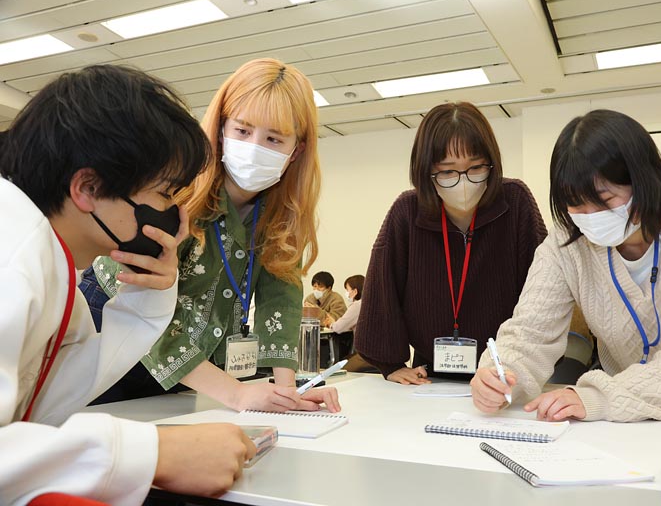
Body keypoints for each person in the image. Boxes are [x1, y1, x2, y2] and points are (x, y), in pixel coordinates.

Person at [0, 65, 257, 505]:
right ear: (89, 187)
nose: (175, 215)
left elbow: (59, 392)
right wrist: (152, 454)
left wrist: (146, 295)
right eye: (164, 194)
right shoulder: (13, 257)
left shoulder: (53, 262)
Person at [471, 109, 661, 422]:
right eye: (574, 203)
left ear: (643, 182)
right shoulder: (567, 242)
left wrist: (599, 396)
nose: (588, 215)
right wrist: (499, 375)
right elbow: (530, 331)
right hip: (635, 403)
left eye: (604, 198)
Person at [82, 58, 339, 413]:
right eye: (243, 131)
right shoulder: (174, 192)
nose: (255, 146)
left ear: (296, 150)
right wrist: (236, 394)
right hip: (110, 336)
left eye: (274, 139)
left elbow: (280, 296)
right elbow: (132, 303)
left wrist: (287, 391)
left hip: (185, 365)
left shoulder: (282, 214)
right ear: (220, 128)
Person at [355, 102, 548, 384]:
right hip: (429, 373)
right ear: (425, 171)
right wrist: (390, 364)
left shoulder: (515, 201)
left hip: (505, 369)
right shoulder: (407, 211)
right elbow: (383, 289)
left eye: (476, 168)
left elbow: (541, 293)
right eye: (447, 172)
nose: (464, 182)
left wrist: (521, 362)